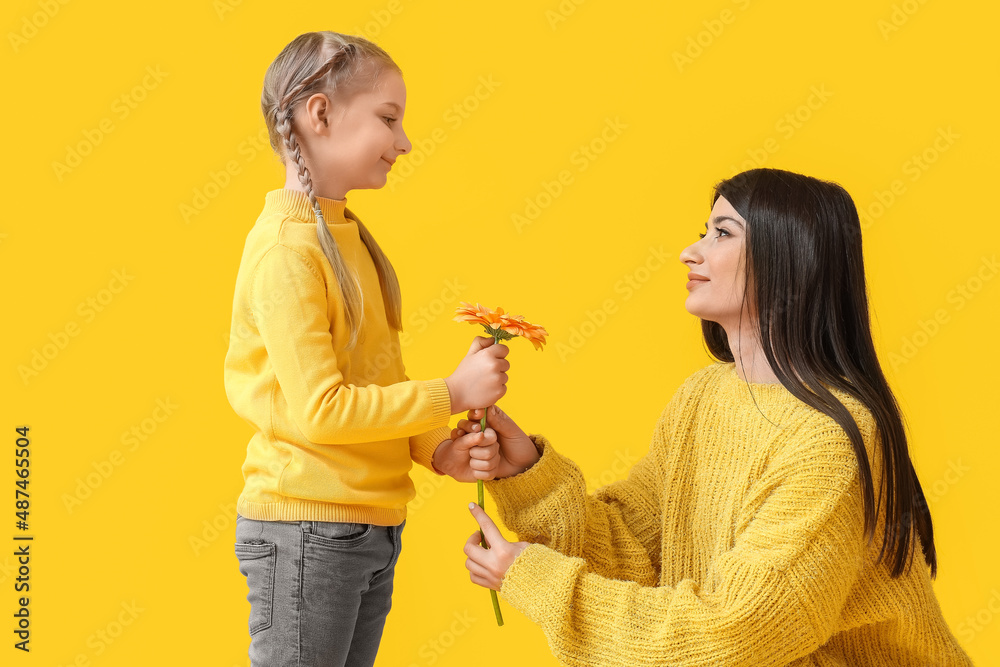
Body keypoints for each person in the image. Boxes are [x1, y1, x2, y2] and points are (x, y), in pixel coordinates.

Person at [439, 168, 975, 665]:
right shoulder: (705, 395)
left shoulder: (828, 437)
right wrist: (527, 473)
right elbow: (637, 551)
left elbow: (734, 632)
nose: (688, 252)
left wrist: (533, 578)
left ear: (789, 256)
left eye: (723, 233)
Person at [224, 31, 507, 667]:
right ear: (318, 113)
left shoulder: (347, 236)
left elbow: (375, 378)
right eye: (388, 118)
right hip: (307, 528)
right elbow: (322, 411)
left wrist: (435, 450)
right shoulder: (287, 253)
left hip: (364, 526)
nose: (404, 141)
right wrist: (453, 393)